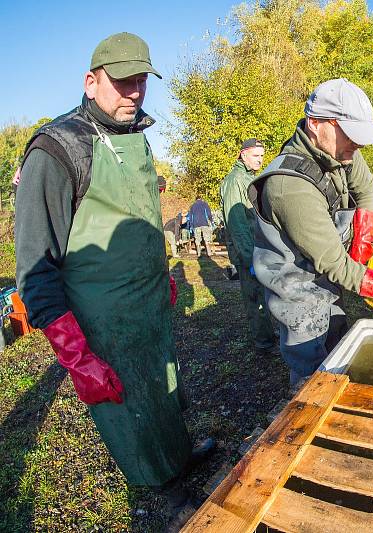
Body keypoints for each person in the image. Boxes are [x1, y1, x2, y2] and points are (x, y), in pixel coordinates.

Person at [14, 32, 212, 494]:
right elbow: (35, 266)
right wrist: (77, 355)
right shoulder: (57, 148)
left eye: (141, 80)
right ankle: (163, 489)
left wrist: (162, 273)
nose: (134, 92)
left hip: (149, 303)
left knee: (162, 391)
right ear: (90, 82)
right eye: (122, 81)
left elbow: (141, 212)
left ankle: (179, 457)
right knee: (131, 411)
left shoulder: (137, 134)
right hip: (101, 320)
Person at [249, 78, 373, 386]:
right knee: (311, 366)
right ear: (316, 124)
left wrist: (362, 240)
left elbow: (367, 188)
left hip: (327, 278)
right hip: (297, 291)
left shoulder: (340, 151)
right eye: (351, 134)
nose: (357, 145)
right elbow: (335, 264)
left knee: (337, 342)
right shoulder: (288, 186)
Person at [220, 138, 277, 354]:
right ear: (243, 155)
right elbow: (237, 224)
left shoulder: (248, 177)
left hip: (257, 247)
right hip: (247, 250)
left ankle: (269, 334)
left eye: (262, 156)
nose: (260, 160)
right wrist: (248, 256)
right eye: (256, 156)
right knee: (254, 296)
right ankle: (264, 342)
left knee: (264, 294)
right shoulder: (235, 180)